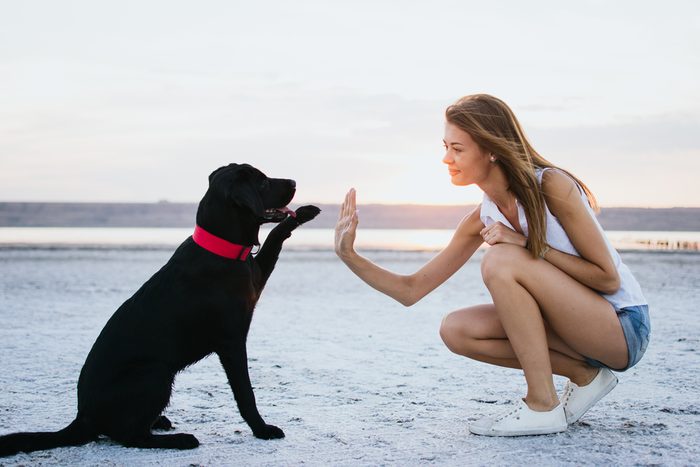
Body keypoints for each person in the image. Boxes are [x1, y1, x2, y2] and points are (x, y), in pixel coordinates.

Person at [334, 93, 650, 437]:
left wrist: (530, 246)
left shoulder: (551, 186)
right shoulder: (482, 218)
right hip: (576, 330)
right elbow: (411, 290)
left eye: (457, 149)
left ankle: (542, 404)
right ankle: (585, 376)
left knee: (500, 258)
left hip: (621, 326)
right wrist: (350, 255)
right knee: (456, 330)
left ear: (491, 150)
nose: (446, 158)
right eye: (445, 146)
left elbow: (606, 278)